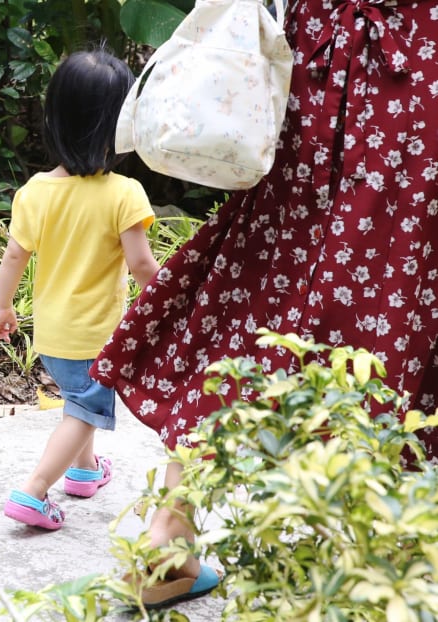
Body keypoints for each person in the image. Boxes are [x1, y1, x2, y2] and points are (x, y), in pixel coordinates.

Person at [91, 0, 438, 609]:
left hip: (323, 55)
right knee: (396, 286)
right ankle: (381, 556)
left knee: (258, 283)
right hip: (414, 62)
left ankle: (170, 536)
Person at [0, 48, 160, 530]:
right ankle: (33, 490)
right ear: (118, 126)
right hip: (94, 336)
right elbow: (142, 264)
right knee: (84, 411)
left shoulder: (35, 191)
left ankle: (84, 472)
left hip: (52, 335)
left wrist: (3, 308)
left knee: (78, 401)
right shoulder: (123, 193)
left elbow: (15, 256)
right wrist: (171, 300)